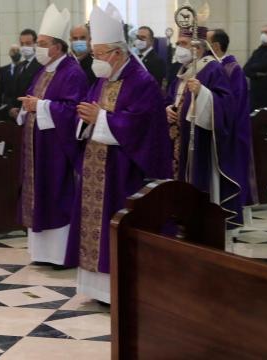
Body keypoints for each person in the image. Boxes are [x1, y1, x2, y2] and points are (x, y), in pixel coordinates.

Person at [71, 3, 172, 303]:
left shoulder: (142, 82)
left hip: (124, 171)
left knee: (116, 223)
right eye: (94, 53)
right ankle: (96, 288)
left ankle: (118, 287)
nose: (95, 60)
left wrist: (100, 118)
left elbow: (140, 125)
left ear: (117, 53)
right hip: (96, 168)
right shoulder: (103, 79)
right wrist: (86, 119)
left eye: (100, 53)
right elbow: (88, 112)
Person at [17, 4, 88, 268]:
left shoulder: (72, 72)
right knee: (39, 194)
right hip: (38, 148)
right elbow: (35, 99)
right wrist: (27, 107)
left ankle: (59, 254)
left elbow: (73, 110)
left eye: (42, 43)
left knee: (56, 193)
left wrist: (42, 106)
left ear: (57, 46)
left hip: (57, 150)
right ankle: (41, 253)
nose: (38, 47)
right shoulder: (43, 70)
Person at [165, 26, 243, 226]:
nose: (179, 49)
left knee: (196, 185)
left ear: (197, 47)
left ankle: (201, 224)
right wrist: (168, 109)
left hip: (200, 143)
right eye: (178, 44)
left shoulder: (212, 68)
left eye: (183, 44)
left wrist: (204, 94)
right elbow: (172, 97)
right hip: (176, 140)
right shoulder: (182, 70)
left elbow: (226, 105)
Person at [209, 28, 256, 207]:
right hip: (218, 128)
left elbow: (233, 105)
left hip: (231, 131)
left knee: (231, 175)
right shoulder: (213, 67)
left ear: (216, 46)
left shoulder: (232, 69)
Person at [3, 29, 43, 122]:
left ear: (35, 44)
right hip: (15, 116)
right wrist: (11, 108)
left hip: (32, 115)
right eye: (22, 44)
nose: (24, 47)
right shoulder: (19, 66)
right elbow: (9, 92)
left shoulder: (41, 65)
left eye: (28, 43)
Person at [0, 44, 21, 120]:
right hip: (6, 106)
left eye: (17, 51)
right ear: (9, 53)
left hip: (20, 106)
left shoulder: (25, 68)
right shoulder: (3, 69)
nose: (15, 53)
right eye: (13, 51)